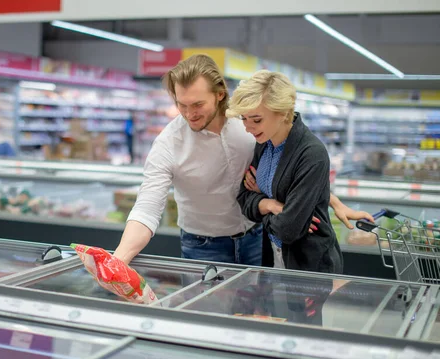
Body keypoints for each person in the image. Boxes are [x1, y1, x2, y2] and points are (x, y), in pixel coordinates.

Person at [113, 54, 371, 267]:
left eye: (197, 104)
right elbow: (147, 208)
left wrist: (331, 200)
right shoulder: (169, 143)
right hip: (203, 248)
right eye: (182, 105)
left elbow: (288, 170)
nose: (189, 114)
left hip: (256, 240)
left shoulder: (248, 121)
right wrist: (119, 259)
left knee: (256, 319)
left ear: (220, 94)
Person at [231, 70, 342, 273]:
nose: (247, 128)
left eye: (256, 120)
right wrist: (271, 204)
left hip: (308, 263)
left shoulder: (311, 153)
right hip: (271, 255)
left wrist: (261, 205)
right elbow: (243, 199)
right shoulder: (264, 144)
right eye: (244, 119)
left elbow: (289, 229)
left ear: (282, 112)